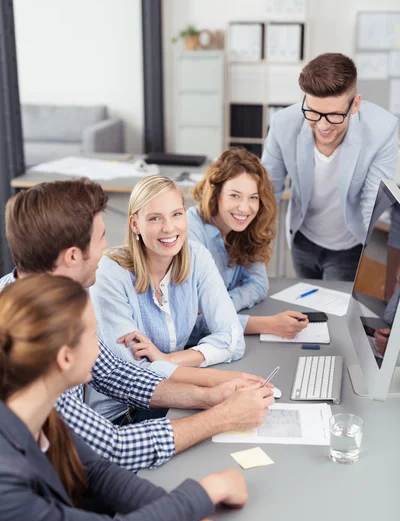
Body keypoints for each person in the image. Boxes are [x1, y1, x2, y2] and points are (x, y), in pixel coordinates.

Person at [0, 179, 275, 472]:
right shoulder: (28, 336)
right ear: (72, 256)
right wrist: (222, 417)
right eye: (100, 238)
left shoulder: (61, 300)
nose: (106, 247)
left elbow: (115, 373)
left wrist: (207, 397)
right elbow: (114, 448)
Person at [0, 274, 250, 521]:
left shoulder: (40, 414)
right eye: (94, 336)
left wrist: (179, 515)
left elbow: (101, 473)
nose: (100, 345)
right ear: (65, 358)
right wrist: (209, 490)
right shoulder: (5, 481)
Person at [88, 175, 249, 422]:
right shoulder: (110, 272)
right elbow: (132, 372)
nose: (169, 228)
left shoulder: (196, 256)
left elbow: (233, 339)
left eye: (176, 214)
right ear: (134, 224)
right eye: (155, 218)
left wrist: (169, 359)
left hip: (173, 397)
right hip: (123, 415)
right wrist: (215, 380)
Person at [262, 52, 399, 281]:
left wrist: (385, 269)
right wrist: (253, 252)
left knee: (335, 314)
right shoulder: (282, 124)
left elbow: (372, 206)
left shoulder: (382, 131)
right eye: (313, 113)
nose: (323, 125)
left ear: (355, 104)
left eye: (334, 115)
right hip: (302, 239)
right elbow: (268, 190)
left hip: (349, 246)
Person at [187, 147, 309, 338]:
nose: (245, 208)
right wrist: (267, 324)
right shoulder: (191, 234)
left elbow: (259, 284)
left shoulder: (246, 227)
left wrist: (220, 305)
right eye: (234, 195)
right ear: (216, 194)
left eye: (253, 198)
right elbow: (190, 325)